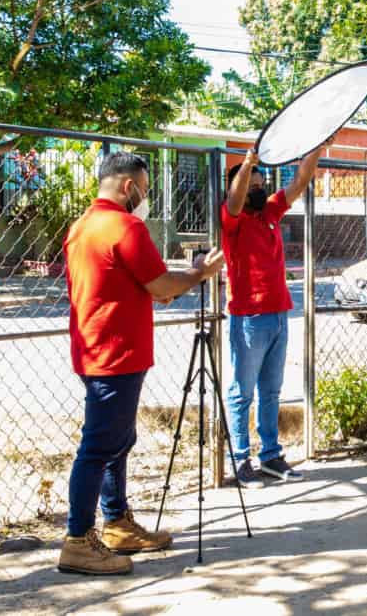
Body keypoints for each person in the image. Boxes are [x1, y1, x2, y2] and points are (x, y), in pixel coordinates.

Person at [58, 151, 225, 576]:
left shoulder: (82, 227)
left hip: (95, 349)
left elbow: (138, 284)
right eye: (146, 191)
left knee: (117, 441)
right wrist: (200, 274)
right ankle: (78, 540)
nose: (145, 199)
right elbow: (161, 283)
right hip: (115, 354)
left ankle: (116, 522)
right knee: (99, 446)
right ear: (129, 187)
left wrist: (165, 288)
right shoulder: (125, 226)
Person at [221, 139, 331, 488]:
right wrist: (248, 162)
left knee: (271, 392)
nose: (257, 188)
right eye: (250, 183)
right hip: (248, 318)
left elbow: (299, 182)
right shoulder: (232, 220)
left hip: (279, 314)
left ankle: (270, 456)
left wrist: (316, 146)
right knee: (242, 392)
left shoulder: (269, 211)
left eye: (259, 183)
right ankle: (240, 459)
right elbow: (236, 201)